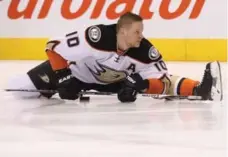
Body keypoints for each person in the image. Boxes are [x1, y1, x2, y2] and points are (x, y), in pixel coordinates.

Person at [7, 12, 222, 102]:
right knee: (17, 87)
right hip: (75, 74)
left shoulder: (144, 51)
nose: (141, 36)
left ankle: (199, 89)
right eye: (137, 32)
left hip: (114, 83)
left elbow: (164, 81)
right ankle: (48, 93)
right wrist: (63, 77)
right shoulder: (96, 37)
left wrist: (139, 85)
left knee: (144, 82)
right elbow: (53, 45)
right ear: (123, 31)